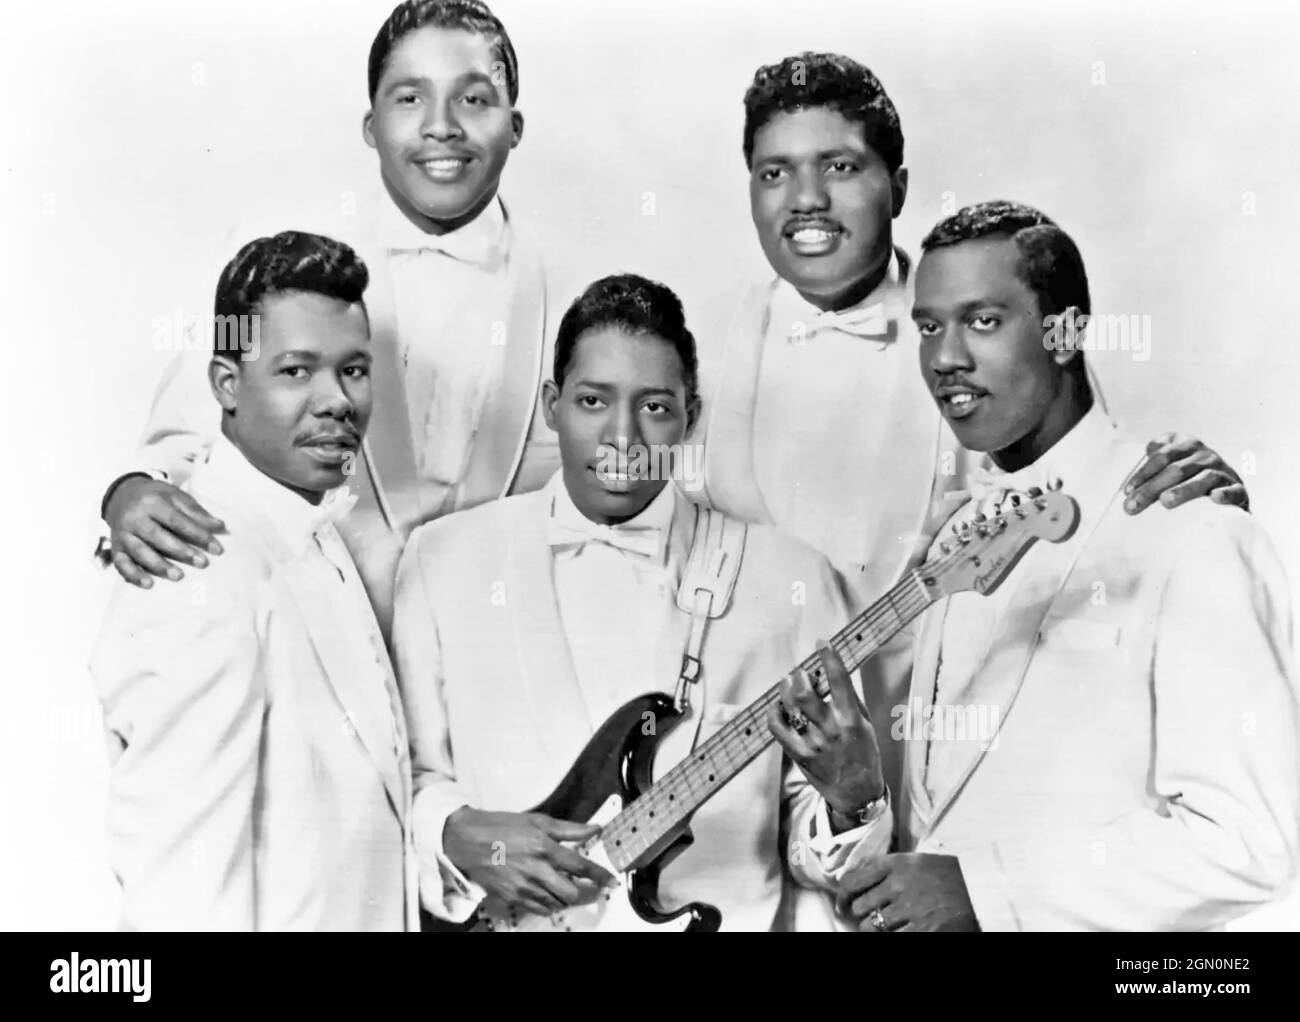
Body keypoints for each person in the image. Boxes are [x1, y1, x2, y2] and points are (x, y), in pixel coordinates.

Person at [835, 202, 1298, 931]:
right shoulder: (951, 535)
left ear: (1067, 331)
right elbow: (934, 823)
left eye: (982, 321)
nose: (945, 357)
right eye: (928, 326)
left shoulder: (1192, 528)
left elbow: (1252, 842)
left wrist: (988, 892)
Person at [393, 274, 890, 931]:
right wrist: (456, 832)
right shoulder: (441, 560)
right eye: (593, 401)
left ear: (693, 415)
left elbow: (819, 854)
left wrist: (855, 799)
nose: (622, 437)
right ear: (551, 405)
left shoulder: (791, 579)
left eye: (654, 408)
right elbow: (402, 784)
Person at [98, 0, 557, 630]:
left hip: (485, 661)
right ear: (371, 125)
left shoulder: (568, 291)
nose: (442, 126)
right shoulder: (277, 249)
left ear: (516, 125)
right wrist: (130, 491)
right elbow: (184, 435)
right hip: (308, 644)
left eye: (475, 99)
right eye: (409, 99)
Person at [90, 232, 416, 931]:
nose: (337, 401)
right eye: (297, 370)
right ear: (226, 385)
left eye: (354, 370)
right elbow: (180, 903)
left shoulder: (313, 532)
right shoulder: (194, 570)